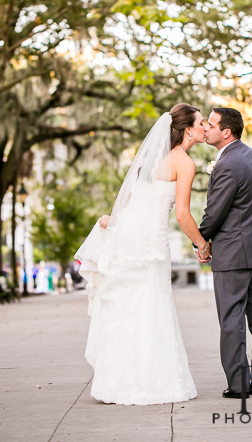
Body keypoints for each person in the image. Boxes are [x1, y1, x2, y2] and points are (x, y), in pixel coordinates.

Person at [75, 104, 208, 405]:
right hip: (151, 245)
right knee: (151, 306)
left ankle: (114, 383)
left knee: (127, 307)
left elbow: (131, 201)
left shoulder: (150, 157)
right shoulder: (184, 163)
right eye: (201, 123)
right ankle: (151, 382)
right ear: (188, 130)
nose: (204, 128)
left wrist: (116, 222)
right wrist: (202, 244)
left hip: (129, 239)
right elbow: (184, 216)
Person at [195, 107, 252, 399]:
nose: (205, 128)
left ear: (226, 132)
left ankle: (240, 384)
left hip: (233, 252)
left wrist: (200, 240)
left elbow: (215, 211)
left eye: (211, 124)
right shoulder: (250, 155)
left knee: (231, 319)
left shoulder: (228, 164)